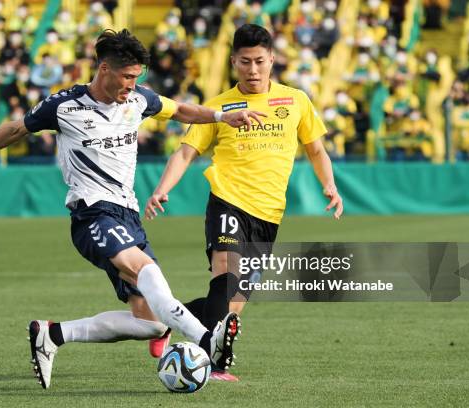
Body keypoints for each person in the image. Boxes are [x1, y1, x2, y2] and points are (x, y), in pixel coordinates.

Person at [0, 29, 266, 389]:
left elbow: (181, 109)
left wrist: (220, 116)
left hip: (128, 216)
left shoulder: (138, 100)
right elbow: (15, 129)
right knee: (146, 271)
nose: (131, 85)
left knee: (150, 323)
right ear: (104, 69)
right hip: (93, 212)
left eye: (136, 77)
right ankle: (206, 338)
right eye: (127, 77)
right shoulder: (65, 106)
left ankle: (53, 334)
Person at [145, 24, 344, 381]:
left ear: (272, 60)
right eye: (245, 63)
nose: (253, 70)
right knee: (225, 275)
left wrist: (329, 184)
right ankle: (215, 365)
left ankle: (166, 321)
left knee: (232, 306)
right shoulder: (219, 107)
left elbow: (316, 149)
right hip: (227, 200)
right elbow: (186, 152)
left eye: (260, 62)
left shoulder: (294, 100)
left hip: (268, 214)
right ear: (233, 61)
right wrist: (162, 189)